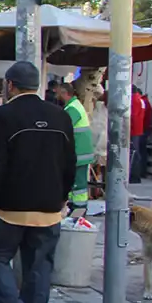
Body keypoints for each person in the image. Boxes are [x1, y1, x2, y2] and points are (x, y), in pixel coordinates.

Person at [0, 61, 76, 303]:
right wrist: (62, 197)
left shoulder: (3, 116)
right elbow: (69, 164)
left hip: (8, 208)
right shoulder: (61, 117)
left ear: (10, 85)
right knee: (40, 267)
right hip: (48, 208)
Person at [54, 81, 93, 211]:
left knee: (78, 183)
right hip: (80, 152)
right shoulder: (74, 106)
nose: (56, 95)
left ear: (65, 93)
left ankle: (79, 207)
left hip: (79, 153)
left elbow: (63, 127)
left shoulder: (73, 109)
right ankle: (74, 206)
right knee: (75, 181)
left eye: (58, 93)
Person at [130, 85, 150, 183]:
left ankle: (134, 175)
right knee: (136, 153)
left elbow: (133, 116)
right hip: (139, 130)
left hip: (133, 130)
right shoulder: (140, 100)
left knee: (133, 153)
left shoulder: (134, 100)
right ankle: (137, 174)